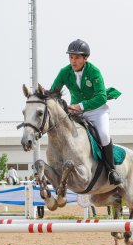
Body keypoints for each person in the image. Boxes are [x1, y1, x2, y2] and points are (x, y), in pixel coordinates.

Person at [50, 39, 123, 185]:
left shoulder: (94, 71)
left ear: (85, 58)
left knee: (103, 134)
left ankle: (111, 170)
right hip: (75, 111)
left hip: (97, 111)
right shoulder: (65, 72)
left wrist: (80, 106)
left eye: (77, 57)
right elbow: (53, 92)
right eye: (71, 57)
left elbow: (102, 97)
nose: (73, 61)